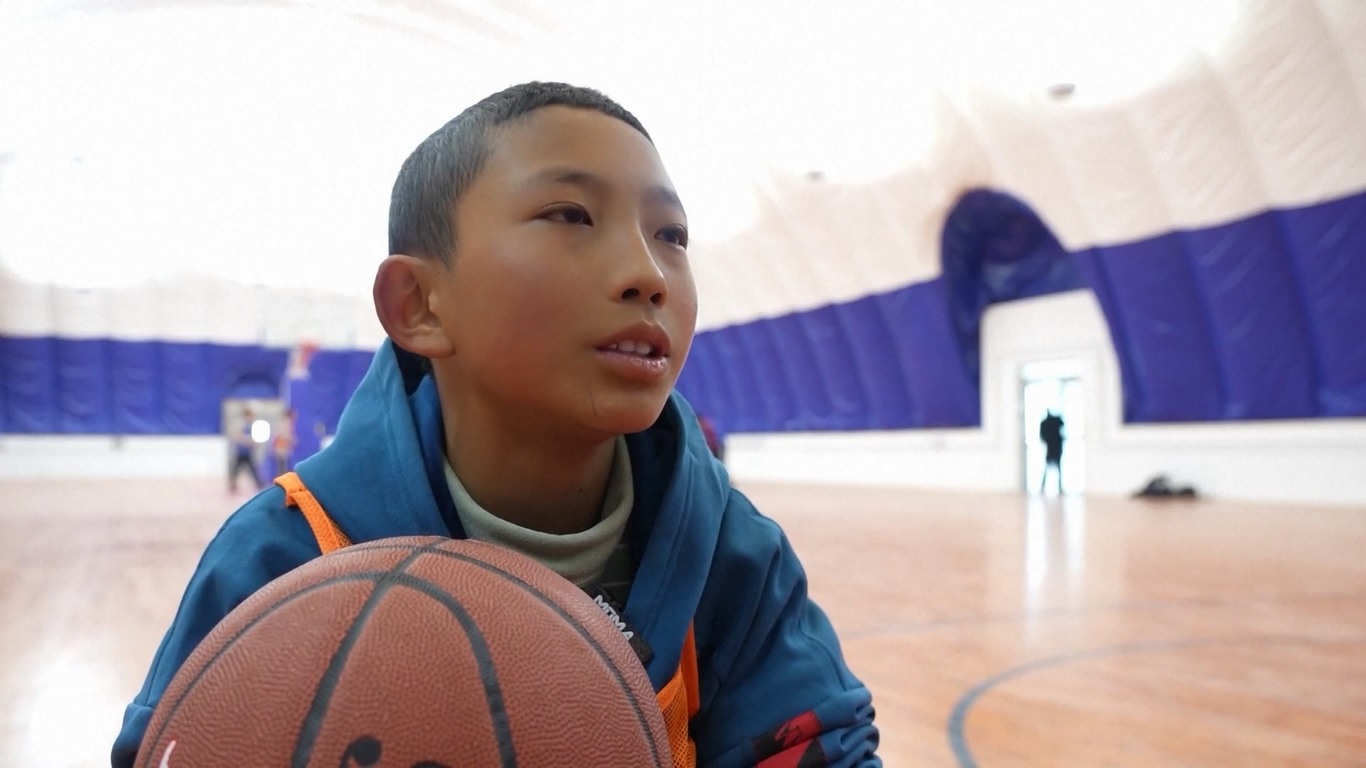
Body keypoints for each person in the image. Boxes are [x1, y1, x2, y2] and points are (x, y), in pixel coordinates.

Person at [113, 82, 879, 767]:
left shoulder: (734, 557)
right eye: (571, 215)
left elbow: (821, 745)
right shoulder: (280, 557)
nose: (648, 272)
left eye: (671, 236)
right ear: (418, 305)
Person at [227, 407, 265, 494]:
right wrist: (249, 441)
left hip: (248, 452)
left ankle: (259, 483)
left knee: (252, 469)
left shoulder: (250, 425)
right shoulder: (241, 424)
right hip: (241, 452)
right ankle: (232, 485)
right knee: (236, 469)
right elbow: (238, 437)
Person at [1039, 409, 1065, 494]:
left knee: (1057, 468)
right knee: (1051, 468)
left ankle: (1058, 487)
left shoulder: (1054, 421)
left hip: (1055, 448)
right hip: (1052, 448)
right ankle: (1043, 487)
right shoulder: (1048, 422)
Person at [272, 408, 298, 477]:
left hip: (283, 447)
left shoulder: (287, 423)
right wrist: (291, 440)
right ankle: (281, 479)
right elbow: (283, 435)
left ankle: (282, 478)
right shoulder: (286, 423)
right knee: (282, 465)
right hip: (281, 446)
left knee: (282, 465)